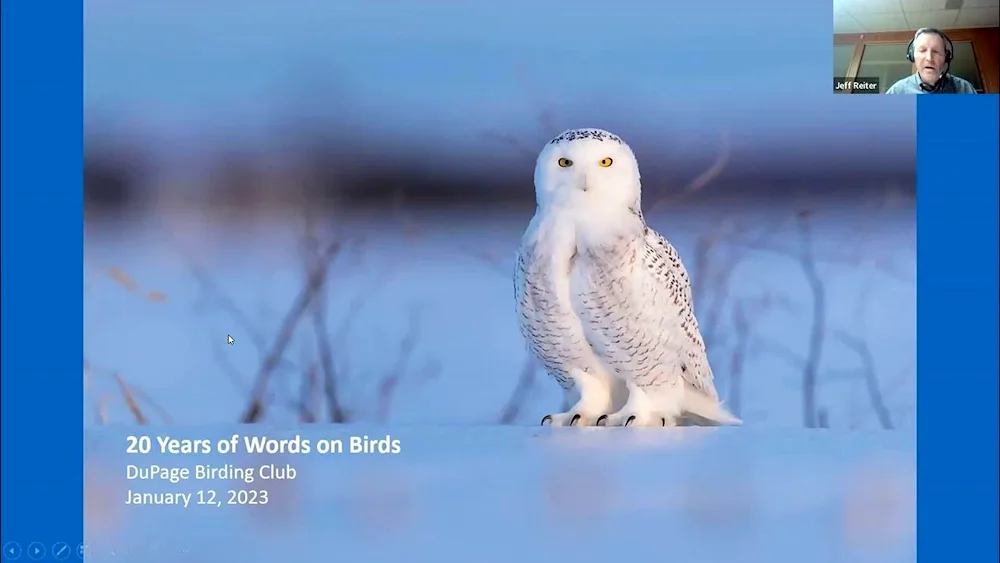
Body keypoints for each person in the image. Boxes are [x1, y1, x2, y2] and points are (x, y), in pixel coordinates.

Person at [885, 28, 977, 94]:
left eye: (936, 51)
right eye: (922, 50)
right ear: (912, 56)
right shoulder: (897, 91)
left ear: (946, 57)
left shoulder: (964, 89)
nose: (929, 58)